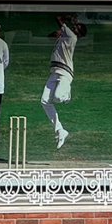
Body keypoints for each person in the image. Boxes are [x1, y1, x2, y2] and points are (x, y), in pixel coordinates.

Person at [40, 15, 82, 149]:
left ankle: (67, 94)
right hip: (54, 72)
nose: (74, 27)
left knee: (57, 98)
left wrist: (68, 17)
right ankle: (60, 130)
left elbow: (58, 18)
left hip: (65, 73)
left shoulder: (72, 37)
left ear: (78, 33)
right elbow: (50, 35)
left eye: (77, 28)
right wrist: (58, 34)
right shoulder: (66, 36)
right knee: (44, 101)